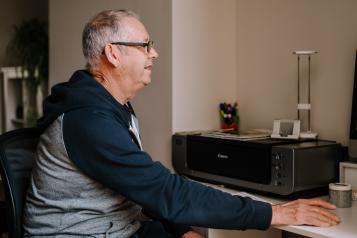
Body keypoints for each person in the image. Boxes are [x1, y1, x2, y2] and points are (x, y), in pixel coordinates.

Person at [23, 9, 340, 238]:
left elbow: (142, 188)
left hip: (119, 226)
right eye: (145, 45)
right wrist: (274, 212)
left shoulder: (114, 108)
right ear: (113, 54)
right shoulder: (88, 121)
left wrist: (180, 230)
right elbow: (164, 190)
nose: (155, 53)